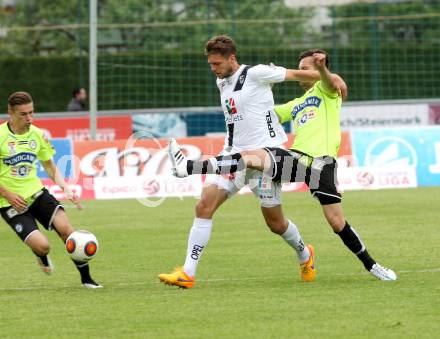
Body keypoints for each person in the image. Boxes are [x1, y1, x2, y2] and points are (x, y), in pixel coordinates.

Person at [169, 50, 397, 281]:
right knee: (249, 159)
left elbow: (331, 82)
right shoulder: (295, 104)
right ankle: (189, 167)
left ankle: (372, 266)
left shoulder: (328, 92)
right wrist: (260, 88)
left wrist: (324, 71)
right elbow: (264, 114)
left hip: (321, 165)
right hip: (294, 160)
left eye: (305, 68)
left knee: (336, 222)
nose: (301, 73)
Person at [159, 36, 345, 289]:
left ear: (232, 58)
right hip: (233, 156)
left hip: (265, 158)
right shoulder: (221, 81)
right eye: (211, 64)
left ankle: (305, 254)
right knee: (204, 206)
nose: (213, 68)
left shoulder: (258, 73)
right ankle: (187, 273)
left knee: (276, 224)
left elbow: (298, 75)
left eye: (217, 63)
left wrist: (334, 77)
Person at [0, 91, 102, 288]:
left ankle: (87, 279)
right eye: (23, 114)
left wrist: (67, 189)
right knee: (43, 246)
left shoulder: (37, 135)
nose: (29, 118)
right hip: (9, 202)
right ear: (10, 113)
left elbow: (49, 166)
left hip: (37, 194)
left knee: (68, 232)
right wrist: (8, 194)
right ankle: (41, 255)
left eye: (32, 113)